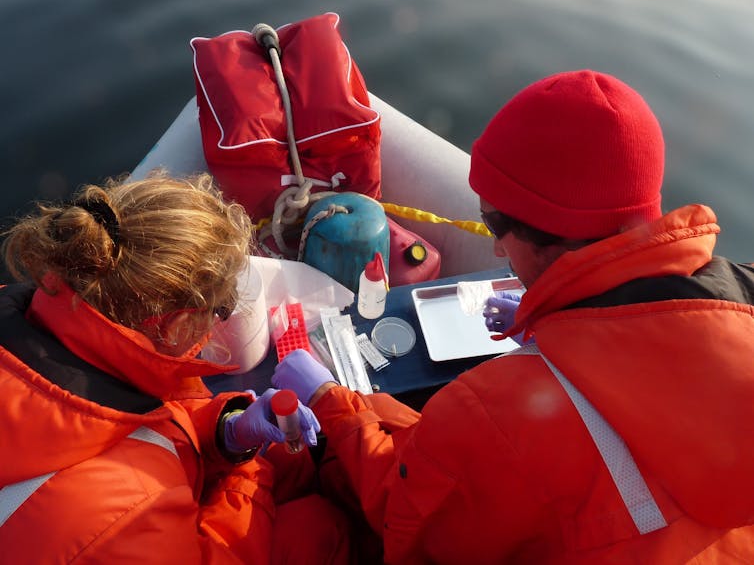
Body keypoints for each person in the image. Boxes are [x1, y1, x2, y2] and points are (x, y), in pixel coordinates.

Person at [268, 70, 754, 563]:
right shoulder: (743, 292)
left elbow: (403, 521)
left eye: (495, 224)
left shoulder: (487, 413)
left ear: (554, 237)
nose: (497, 247)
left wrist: (329, 399)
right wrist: (543, 318)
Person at [0, 172, 351, 564]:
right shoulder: (130, 510)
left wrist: (226, 432)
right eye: (220, 310)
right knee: (320, 527)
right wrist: (247, 471)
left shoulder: (39, 321)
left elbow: (139, 419)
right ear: (178, 324)